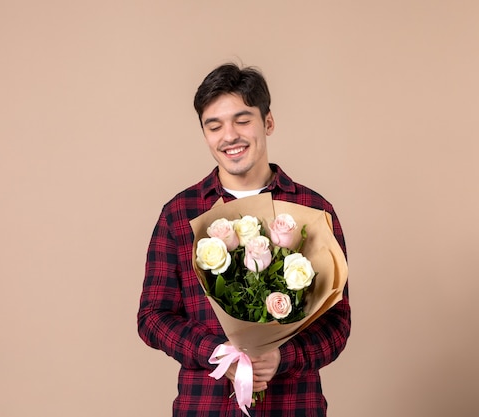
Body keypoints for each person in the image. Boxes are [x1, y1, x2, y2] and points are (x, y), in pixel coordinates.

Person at [137, 63, 351, 417]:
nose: (229, 135)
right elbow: (152, 317)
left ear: (268, 122)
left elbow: (337, 324)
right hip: (206, 408)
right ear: (204, 133)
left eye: (242, 119)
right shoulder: (179, 214)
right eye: (214, 125)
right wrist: (220, 353)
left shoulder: (314, 211)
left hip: (293, 406)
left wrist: (283, 357)